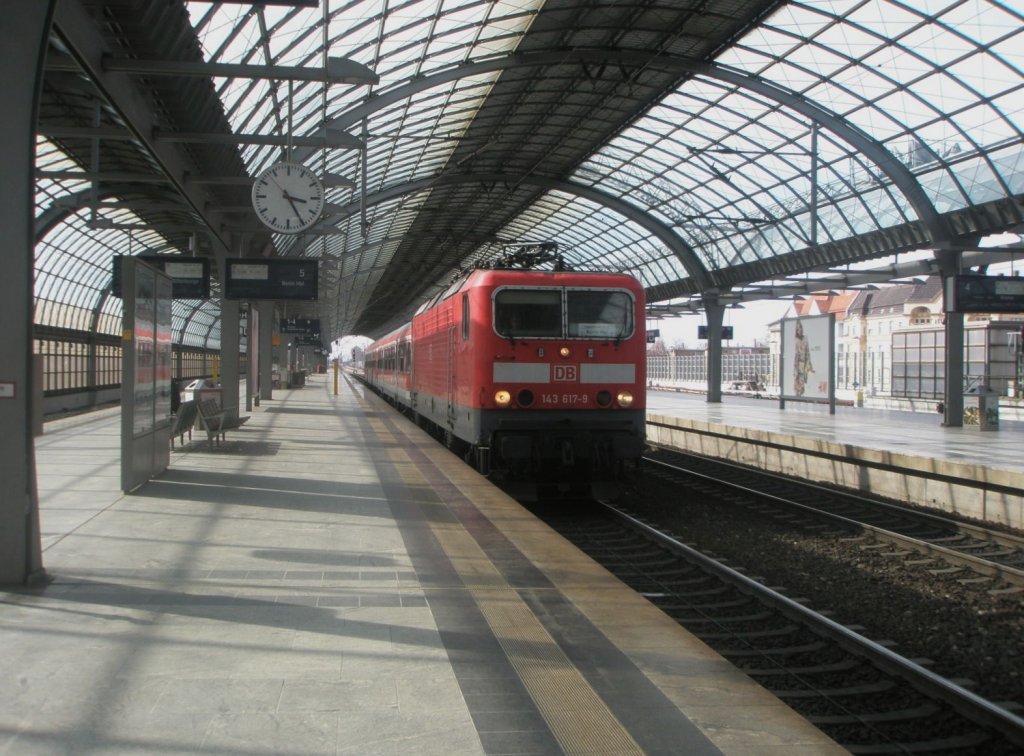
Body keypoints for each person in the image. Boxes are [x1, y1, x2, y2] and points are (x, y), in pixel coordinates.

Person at [792, 320, 813, 396]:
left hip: (804, 362)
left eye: (800, 328)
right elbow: (796, 353)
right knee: (797, 378)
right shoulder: (796, 339)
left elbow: (807, 351)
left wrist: (809, 364)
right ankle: (797, 393)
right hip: (797, 362)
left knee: (802, 379)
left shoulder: (805, 338)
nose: (799, 330)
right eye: (798, 329)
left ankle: (800, 392)